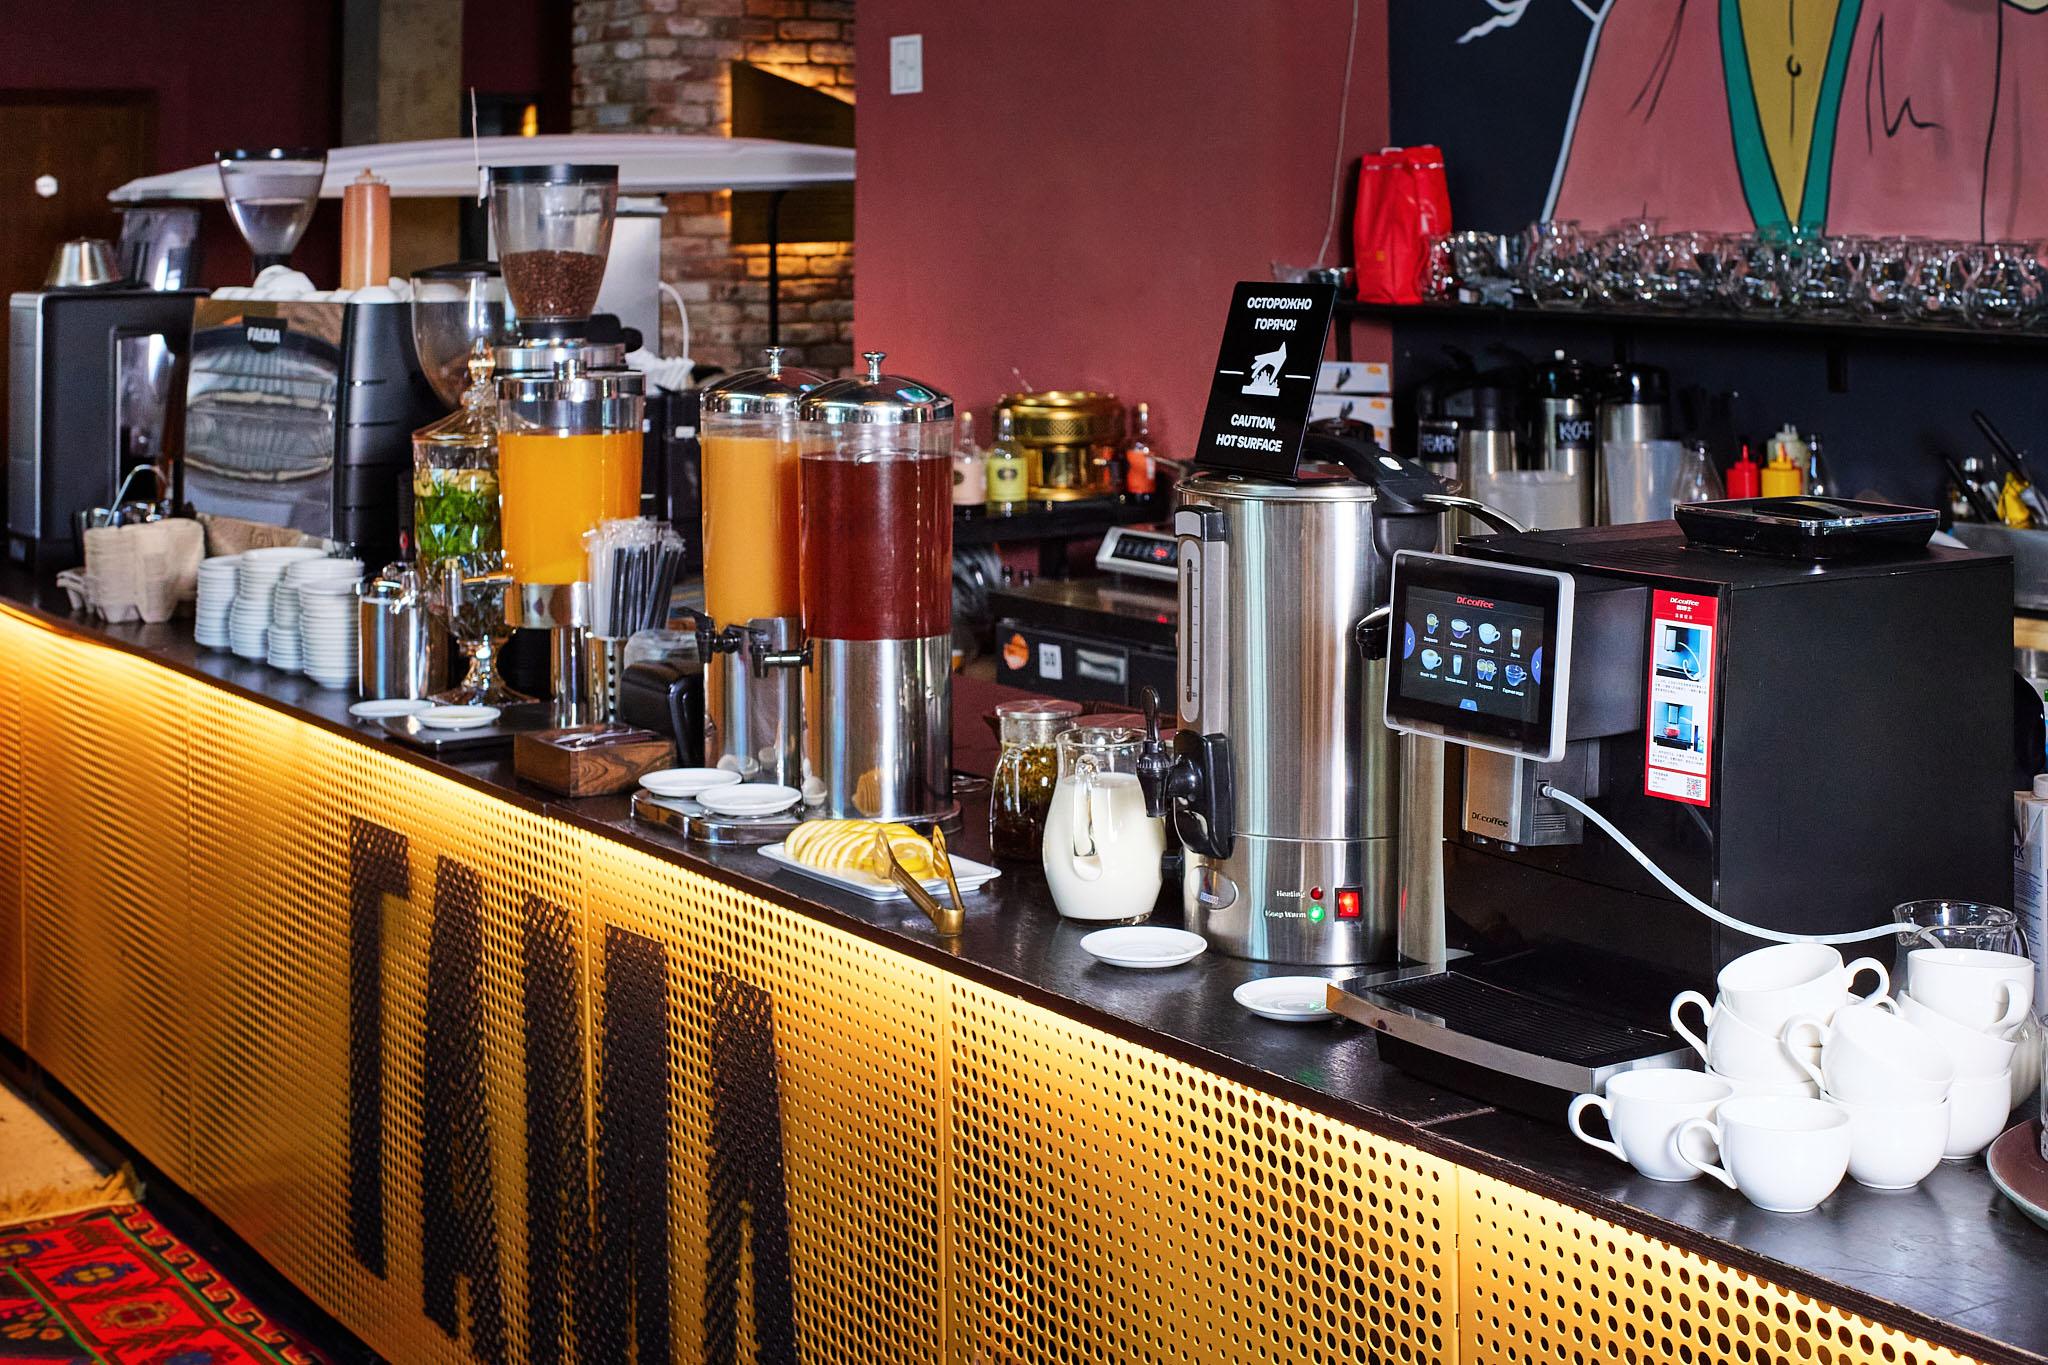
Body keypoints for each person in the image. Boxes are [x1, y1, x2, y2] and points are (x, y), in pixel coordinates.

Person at [1545, 0, 2048, 239]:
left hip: (1931, 374)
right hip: (1712, 370)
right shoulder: (1650, 21)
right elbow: (1577, 254)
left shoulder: (1974, 18)